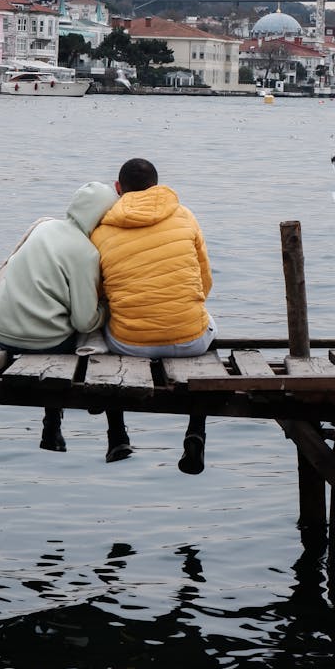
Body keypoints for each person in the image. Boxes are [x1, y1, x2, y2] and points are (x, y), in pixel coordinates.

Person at [91, 157, 216, 474]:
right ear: (157, 187)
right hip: (192, 341)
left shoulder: (102, 228)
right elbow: (205, 282)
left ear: (118, 189)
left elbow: (99, 294)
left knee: (103, 324)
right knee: (208, 324)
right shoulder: (185, 215)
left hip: (129, 343)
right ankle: (196, 431)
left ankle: (117, 435)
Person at [0, 181, 127, 456]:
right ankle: (115, 431)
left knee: (55, 321)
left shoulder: (44, 228)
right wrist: (108, 308)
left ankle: (52, 423)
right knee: (99, 334)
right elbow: (84, 322)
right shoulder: (85, 253)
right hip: (43, 342)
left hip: (0, 333)